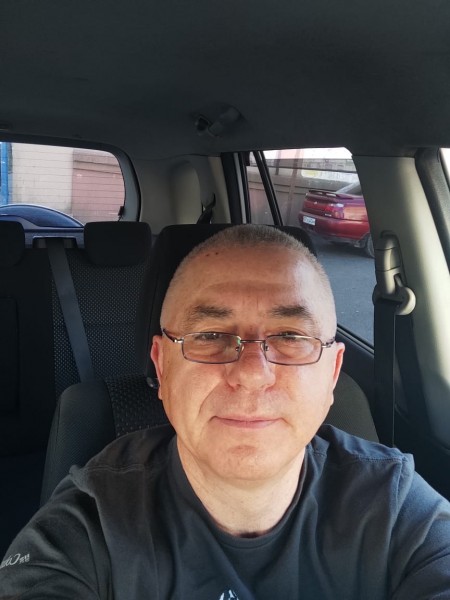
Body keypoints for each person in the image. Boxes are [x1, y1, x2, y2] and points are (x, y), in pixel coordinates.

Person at [1, 224, 450, 599]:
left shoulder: (396, 511)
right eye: (210, 335)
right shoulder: (91, 524)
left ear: (333, 374)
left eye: (291, 337)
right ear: (162, 367)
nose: (252, 374)